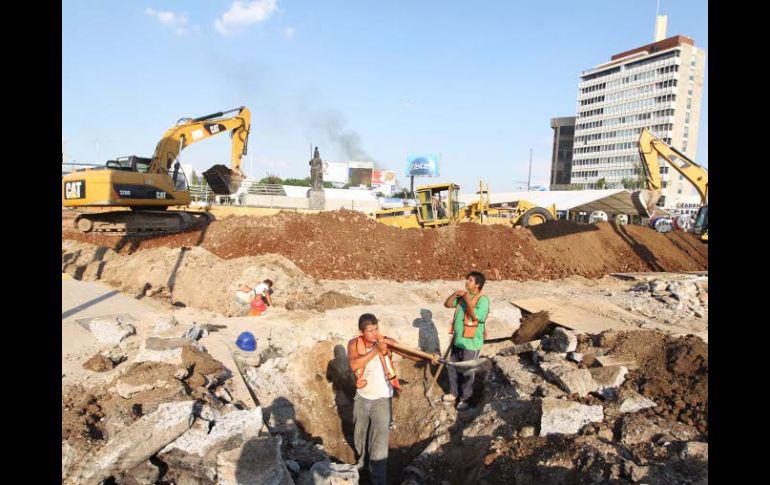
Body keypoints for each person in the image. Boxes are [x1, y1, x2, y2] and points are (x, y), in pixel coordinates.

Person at [347, 313, 438, 485]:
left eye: (376, 329)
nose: (374, 334)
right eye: (370, 331)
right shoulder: (354, 344)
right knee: (359, 436)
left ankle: (378, 480)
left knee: (379, 444)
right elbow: (353, 364)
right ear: (361, 331)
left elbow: (412, 355)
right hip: (361, 398)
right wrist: (375, 350)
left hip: (382, 399)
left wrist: (429, 357)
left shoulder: (385, 341)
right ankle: (361, 467)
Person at [441, 271, 490, 411]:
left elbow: (475, 316)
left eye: (470, 280)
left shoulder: (483, 300)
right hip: (458, 340)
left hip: (471, 343)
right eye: (467, 280)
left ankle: (465, 399)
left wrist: (466, 298)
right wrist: (455, 295)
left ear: (477, 285)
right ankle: (453, 393)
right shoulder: (463, 298)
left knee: (467, 371)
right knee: (452, 367)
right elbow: (447, 304)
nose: (466, 282)